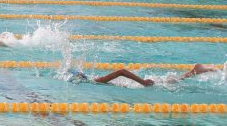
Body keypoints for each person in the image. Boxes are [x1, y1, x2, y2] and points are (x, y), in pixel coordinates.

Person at [68, 63, 220, 87]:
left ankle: (196, 70)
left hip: (139, 84)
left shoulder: (97, 81)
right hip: (133, 85)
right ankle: (195, 71)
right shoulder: (94, 82)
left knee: (168, 83)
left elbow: (121, 71)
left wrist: (142, 82)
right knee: (168, 82)